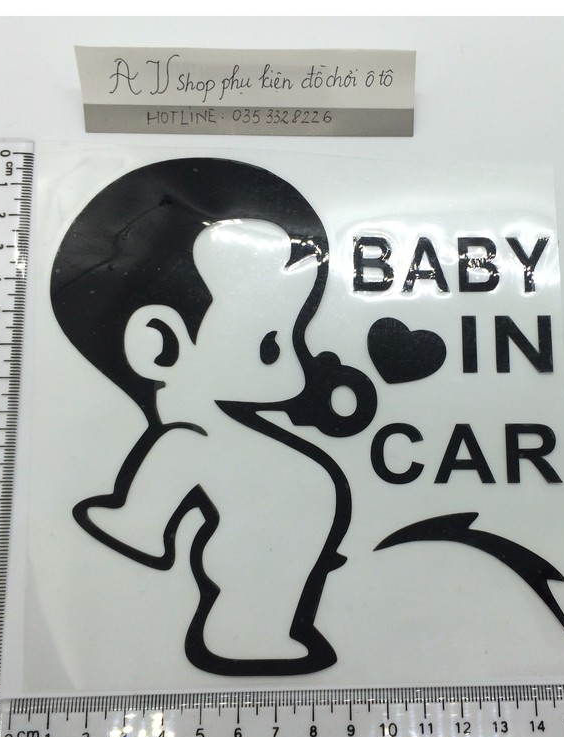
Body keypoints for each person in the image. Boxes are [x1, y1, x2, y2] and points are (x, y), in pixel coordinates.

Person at [51, 158, 373, 674]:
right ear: (161, 346)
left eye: (295, 341)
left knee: (266, 585)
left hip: (281, 545)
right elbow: (156, 493)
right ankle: (248, 634)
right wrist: (137, 523)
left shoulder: (211, 436)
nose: (297, 370)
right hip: (255, 550)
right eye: (271, 346)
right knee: (255, 584)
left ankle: (264, 630)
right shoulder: (188, 439)